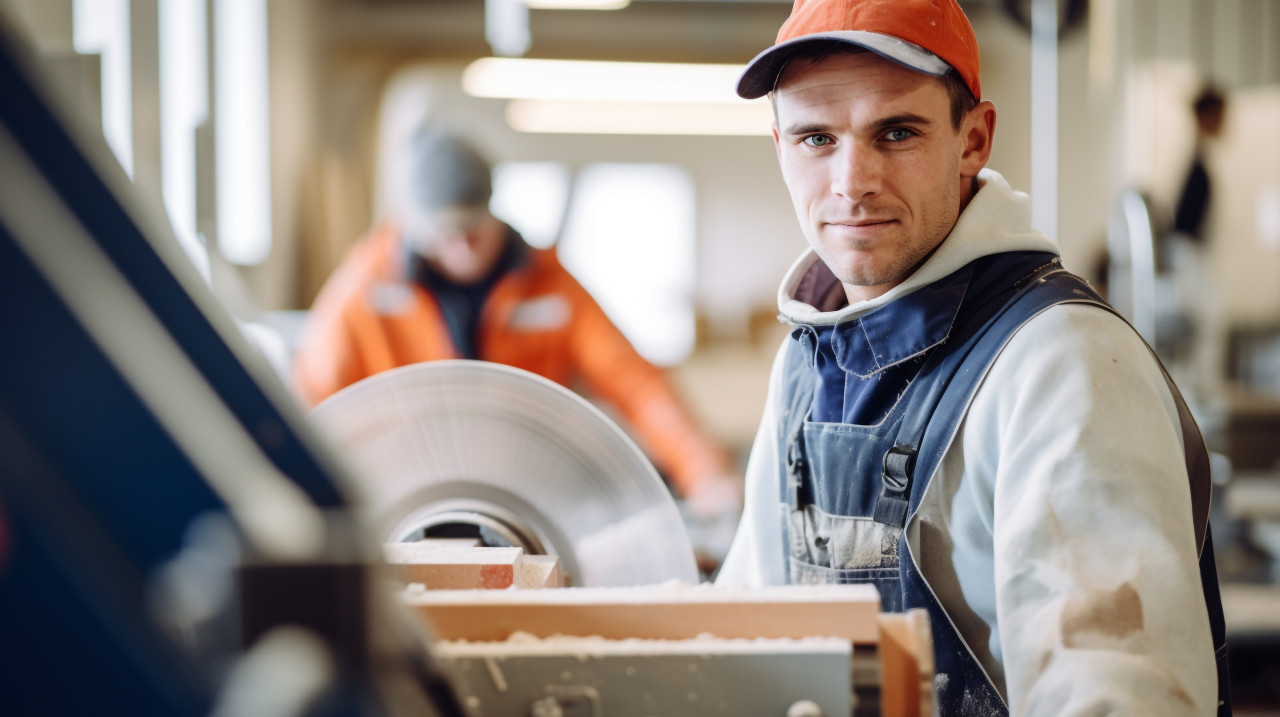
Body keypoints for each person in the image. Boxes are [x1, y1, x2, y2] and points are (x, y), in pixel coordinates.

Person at [715, 1, 1229, 715]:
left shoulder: (1060, 361)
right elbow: (748, 639)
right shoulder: (806, 360)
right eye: (815, 138)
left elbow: (1115, 696)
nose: (851, 180)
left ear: (973, 139)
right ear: (779, 146)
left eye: (896, 132)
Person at [292, 127, 742, 533]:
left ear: (491, 208)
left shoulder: (550, 285)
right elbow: (316, 403)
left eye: (472, 228)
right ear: (412, 226)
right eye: (444, 234)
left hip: (526, 496)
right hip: (407, 499)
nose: (462, 248)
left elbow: (638, 385)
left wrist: (705, 472)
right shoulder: (366, 289)